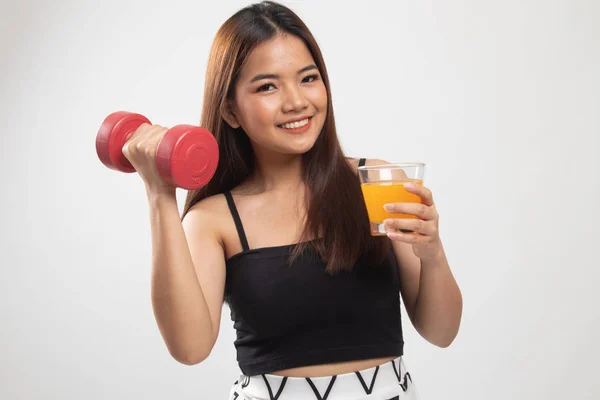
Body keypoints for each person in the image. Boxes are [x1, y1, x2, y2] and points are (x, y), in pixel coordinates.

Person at [121, 1, 462, 399]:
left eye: (308, 78)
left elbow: (442, 332)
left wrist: (432, 252)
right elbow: (190, 349)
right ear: (230, 110)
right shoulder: (213, 219)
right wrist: (160, 193)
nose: (296, 101)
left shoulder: (377, 181)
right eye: (267, 86)